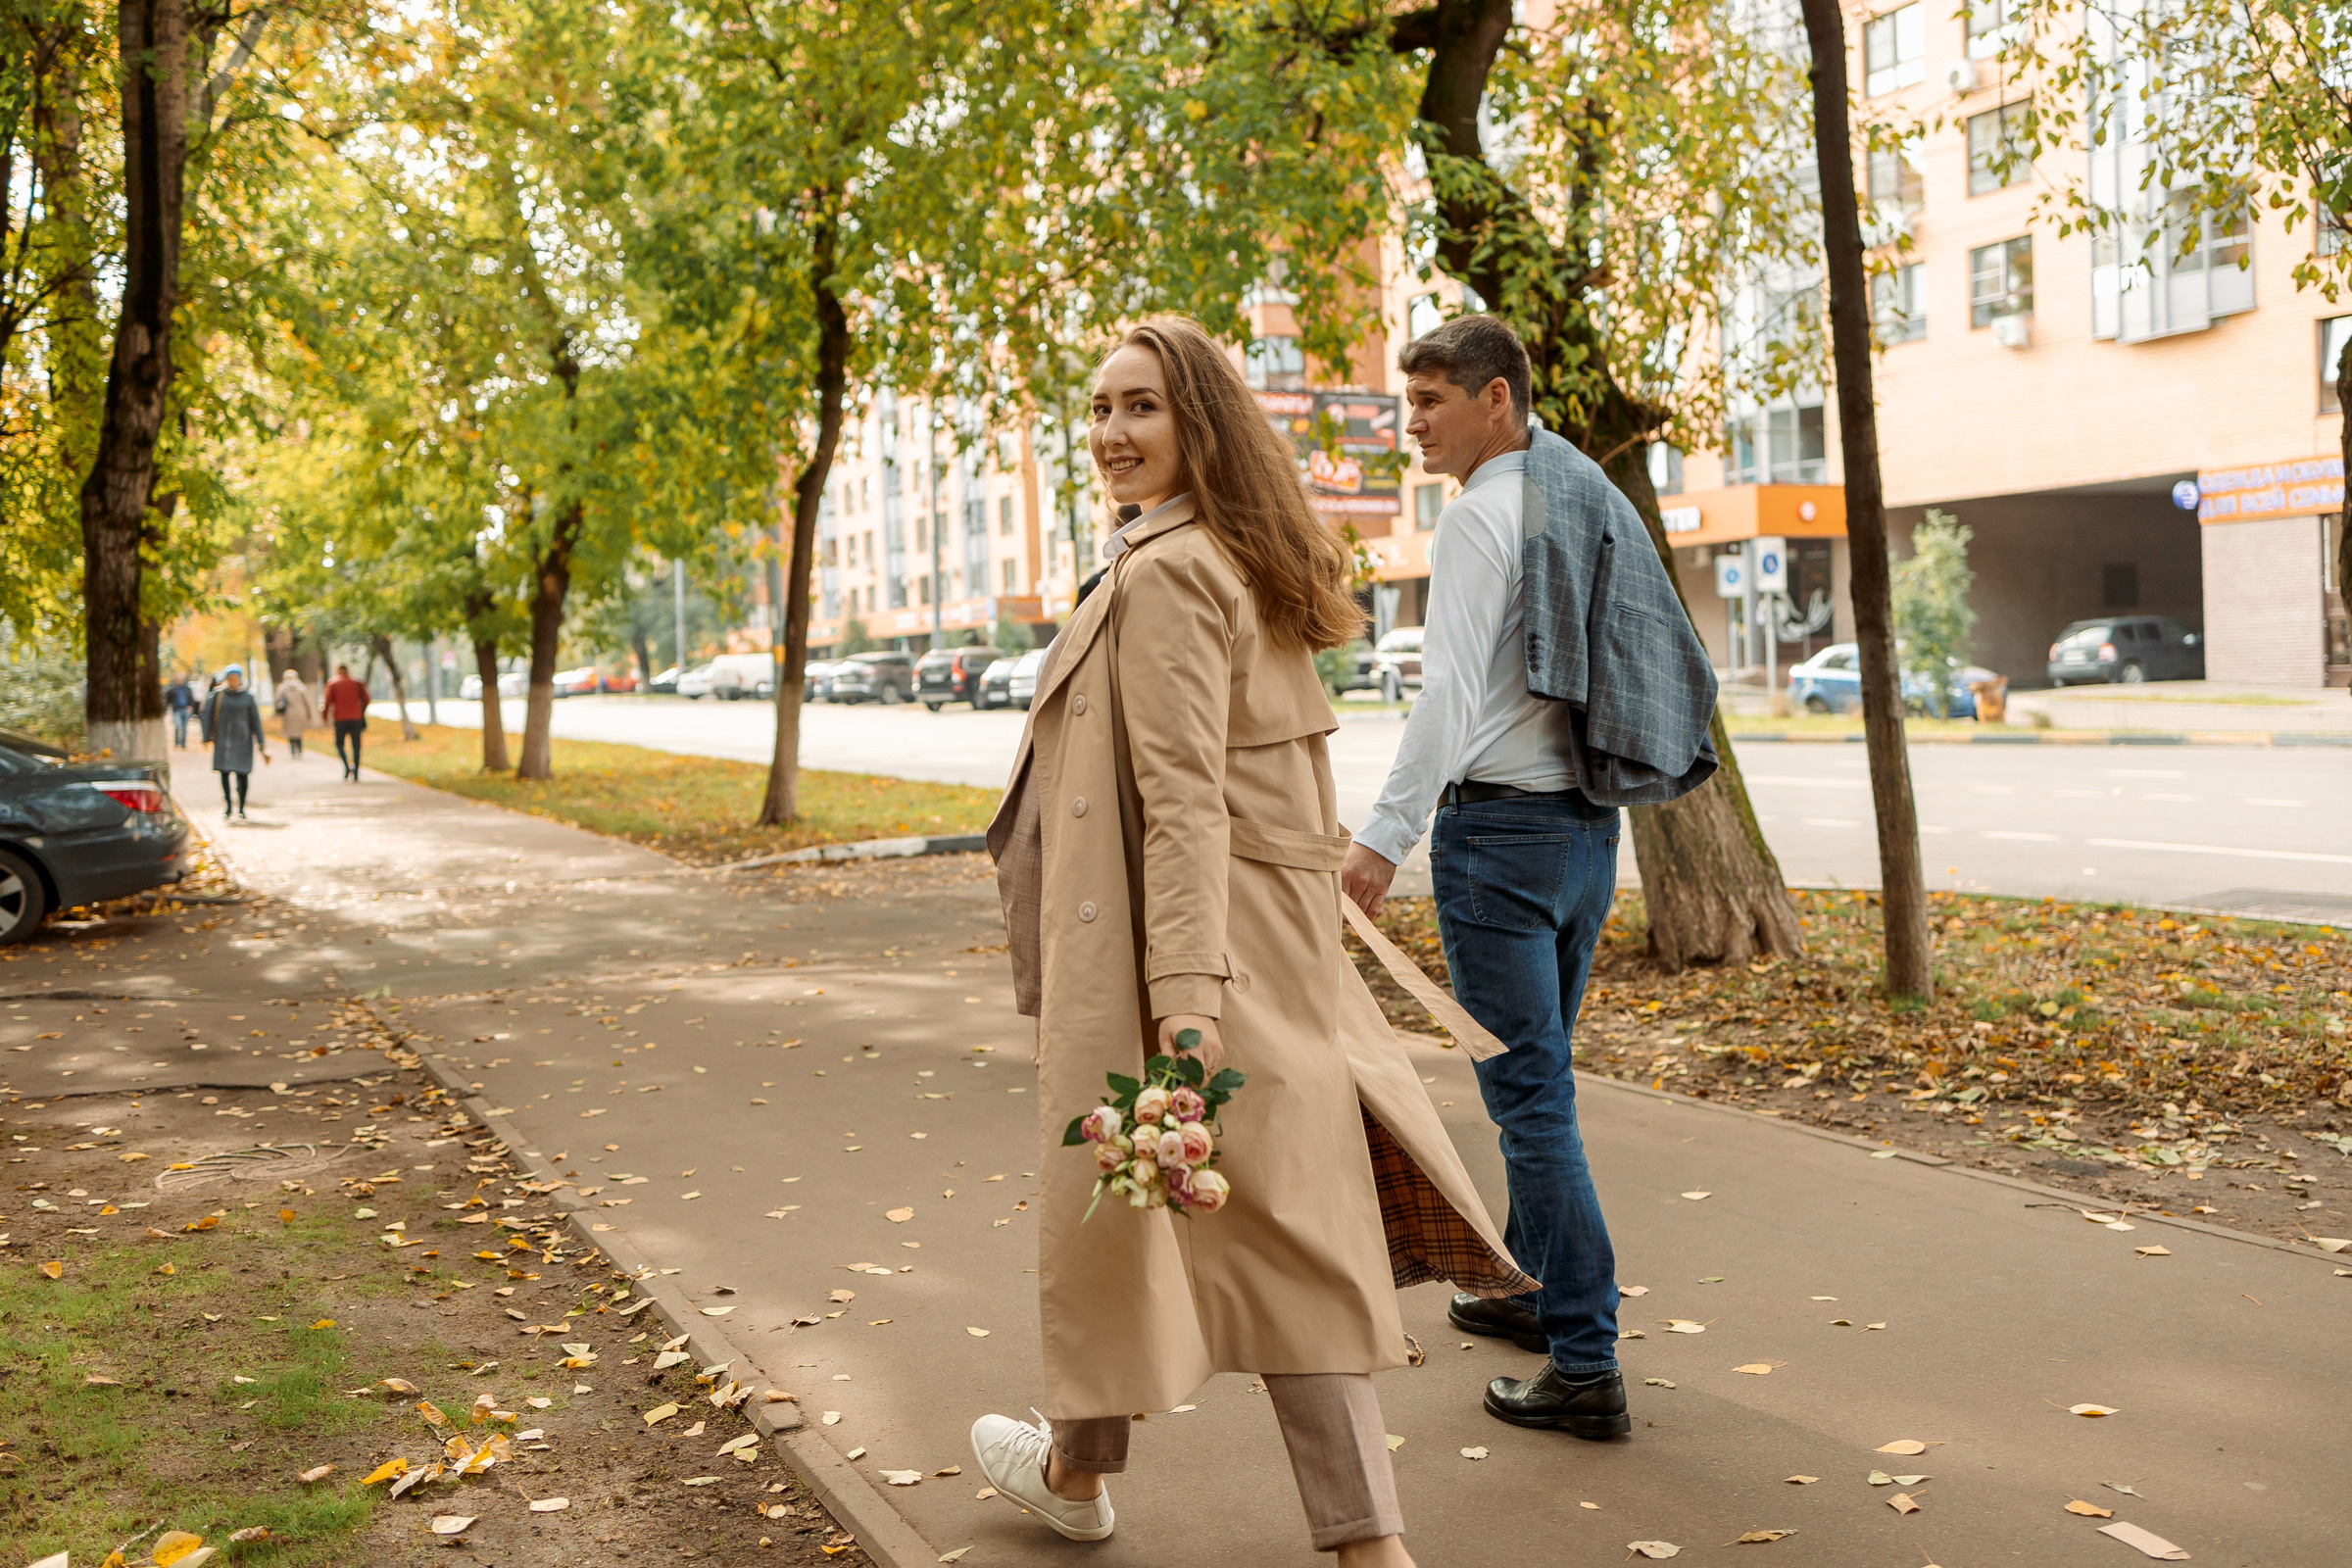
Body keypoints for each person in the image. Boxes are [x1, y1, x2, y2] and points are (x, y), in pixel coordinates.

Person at [974, 318, 1535, 1567]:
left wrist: (1184, 995)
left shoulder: (1173, 571)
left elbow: (1183, 800)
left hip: (1185, 948)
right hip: (1247, 941)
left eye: (1142, 408)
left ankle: (1367, 1546)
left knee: (1257, 1229)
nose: (1113, 432)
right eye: (1101, 408)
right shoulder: (1229, 552)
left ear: (1201, 425)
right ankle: (1076, 1471)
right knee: (1156, 1203)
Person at [1339, 316, 1719, 1437]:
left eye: (1431, 401)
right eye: (1409, 402)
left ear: (1495, 397)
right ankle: (1533, 1292)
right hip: (1585, 834)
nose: (1414, 424)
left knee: (1530, 1103)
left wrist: (1381, 838)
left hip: (1499, 845)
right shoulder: (1575, 499)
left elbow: (1448, 697)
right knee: (1542, 1085)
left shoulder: (1479, 517)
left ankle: (1586, 1360)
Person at [201, 665, 269, 820]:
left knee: (242, 774)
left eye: (235, 677)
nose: (232, 680)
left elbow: (256, 721)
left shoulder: (248, 697)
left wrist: (262, 743)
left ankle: (242, 807)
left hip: (243, 741)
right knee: (224, 773)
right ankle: (228, 807)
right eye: (230, 677)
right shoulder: (218, 695)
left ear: (240, 678)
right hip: (222, 740)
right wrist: (206, 736)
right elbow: (207, 715)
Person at [321, 663, 370, 780]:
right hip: (356, 718)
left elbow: (327, 701)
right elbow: (367, 699)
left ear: (338, 671)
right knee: (356, 746)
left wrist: (324, 716)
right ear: (347, 671)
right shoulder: (357, 682)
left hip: (340, 718)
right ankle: (356, 773)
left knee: (339, 744)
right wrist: (360, 711)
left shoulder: (333, 683)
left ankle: (347, 766)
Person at [274, 666, 318, 760]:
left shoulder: (282, 688)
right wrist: (309, 714)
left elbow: (277, 700)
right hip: (300, 712)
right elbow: (308, 702)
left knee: (290, 733)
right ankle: (300, 751)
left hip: (288, 713)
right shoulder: (301, 687)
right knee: (299, 733)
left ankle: (293, 752)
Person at [164, 673, 197, 750]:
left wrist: (191, 706)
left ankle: (183, 744)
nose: (180, 680)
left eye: (181, 679)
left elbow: (191, 698)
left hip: (185, 709)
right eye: (178, 679)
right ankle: (176, 743)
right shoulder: (172, 689)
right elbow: (168, 700)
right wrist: (165, 709)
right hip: (177, 710)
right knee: (177, 726)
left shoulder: (187, 689)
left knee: (185, 727)